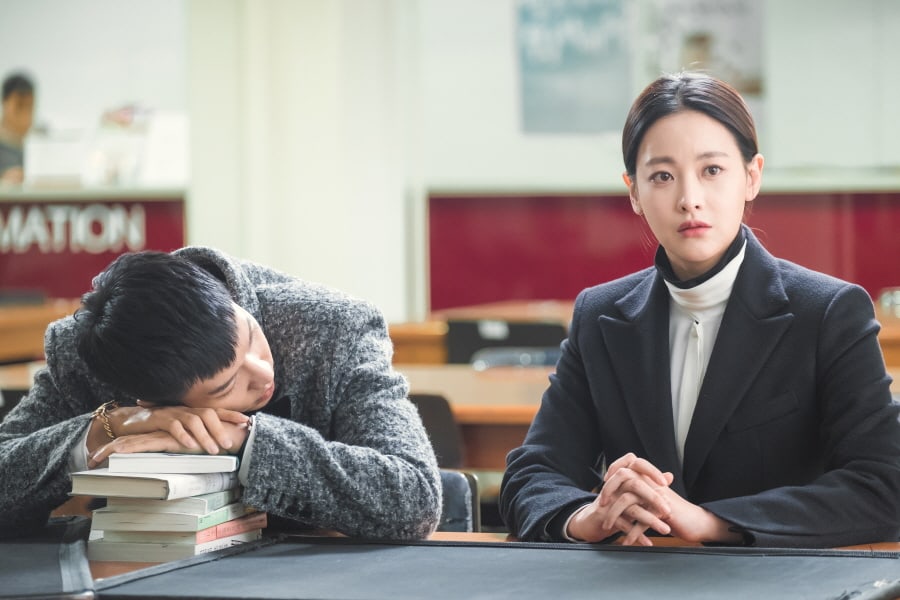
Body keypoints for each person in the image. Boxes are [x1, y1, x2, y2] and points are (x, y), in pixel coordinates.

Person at [500, 72, 900, 548]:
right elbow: (533, 474)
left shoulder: (829, 312)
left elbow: (883, 485)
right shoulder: (601, 315)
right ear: (633, 192)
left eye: (712, 170)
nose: (689, 199)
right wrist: (588, 516)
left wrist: (710, 522)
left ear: (751, 177)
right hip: (638, 584)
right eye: (662, 176)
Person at [0, 247, 442, 540]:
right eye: (227, 385)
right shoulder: (93, 354)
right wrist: (97, 434)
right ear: (153, 400)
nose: (262, 371)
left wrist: (249, 441)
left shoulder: (332, 330)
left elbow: (416, 498)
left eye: (250, 336)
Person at [0, 71, 35, 185]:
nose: (25, 115)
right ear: (4, 104)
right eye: (19, 106)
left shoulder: (38, 146)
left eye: (29, 107)